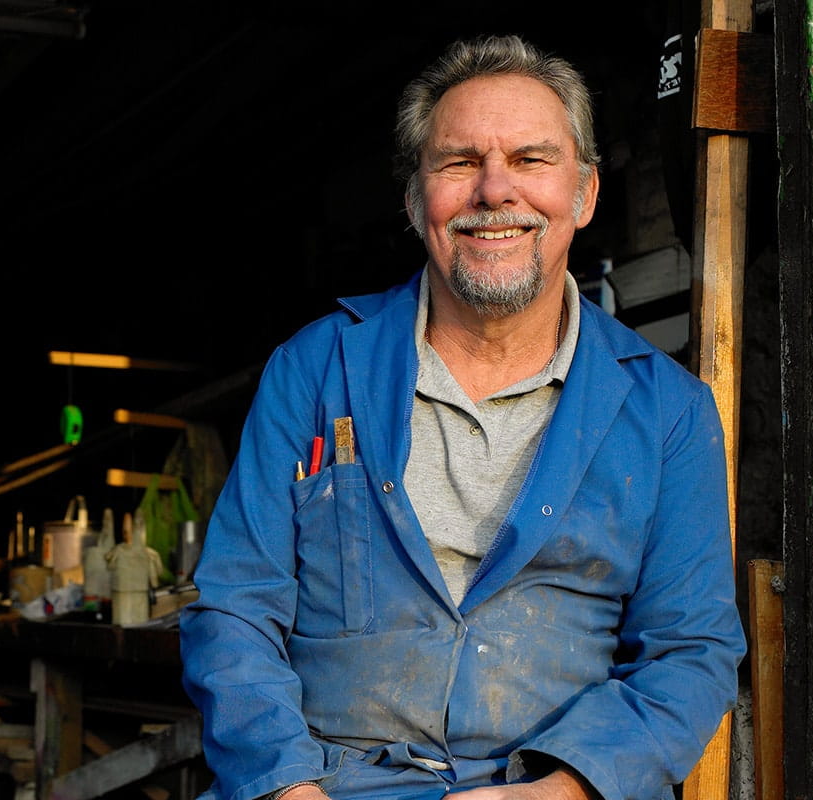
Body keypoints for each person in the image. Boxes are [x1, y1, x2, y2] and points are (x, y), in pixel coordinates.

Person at [178, 34, 745, 800]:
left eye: (531, 159)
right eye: (459, 162)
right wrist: (287, 787)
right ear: (417, 202)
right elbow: (234, 610)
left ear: (584, 194)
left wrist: (558, 792)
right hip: (324, 785)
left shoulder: (668, 412)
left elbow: (690, 651)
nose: (494, 190)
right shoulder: (313, 370)